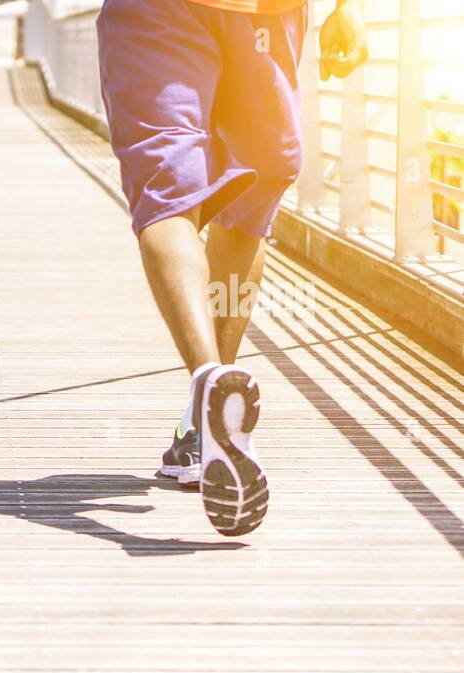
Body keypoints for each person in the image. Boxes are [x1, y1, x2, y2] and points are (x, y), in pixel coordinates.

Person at [96, 0, 367, 535]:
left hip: (161, 13)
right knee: (249, 202)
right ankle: (208, 418)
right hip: (267, 15)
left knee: (167, 199)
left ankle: (206, 384)